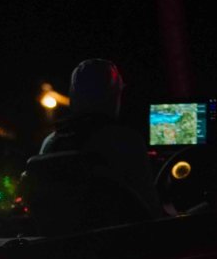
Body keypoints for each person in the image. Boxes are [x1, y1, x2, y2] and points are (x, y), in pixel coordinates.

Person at [39, 58, 161, 217]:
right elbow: (151, 209)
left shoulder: (49, 143)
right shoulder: (127, 141)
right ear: (114, 96)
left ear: (73, 95)